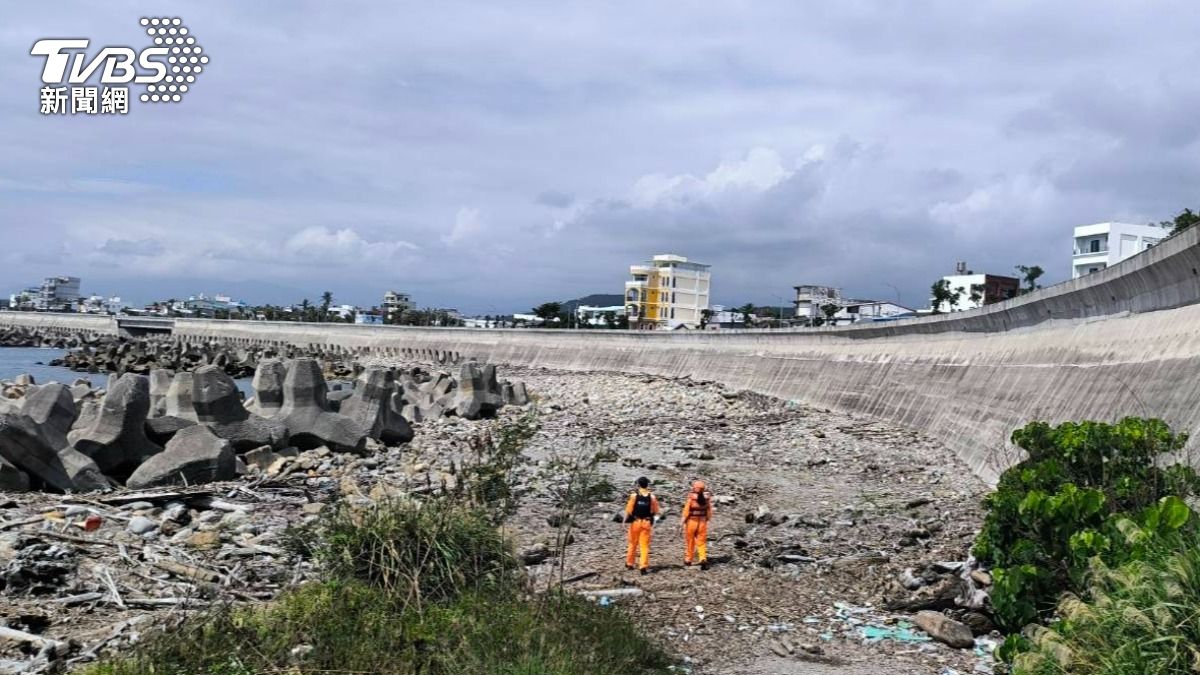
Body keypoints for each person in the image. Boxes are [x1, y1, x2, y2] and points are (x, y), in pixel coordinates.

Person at [624, 476, 660, 575]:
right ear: (647, 485)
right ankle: (643, 566)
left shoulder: (634, 496)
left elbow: (629, 510)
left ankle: (630, 563)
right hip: (646, 523)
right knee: (644, 546)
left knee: (632, 544)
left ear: (639, 485)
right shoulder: (652, 497)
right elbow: (656, 512)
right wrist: (655, 522)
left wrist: (624, 521)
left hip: (635, 522)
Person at [681, 479, 713, 570]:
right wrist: (706, 519)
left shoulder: (691, 498)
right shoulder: (707, 498)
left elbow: (686, 511)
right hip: (702, 522)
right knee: (701, 542)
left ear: (695, 488)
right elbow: (709, 512)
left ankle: (688, 560)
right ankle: (702, 558)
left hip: (691, 522)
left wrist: (682, 522)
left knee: (690, 542)